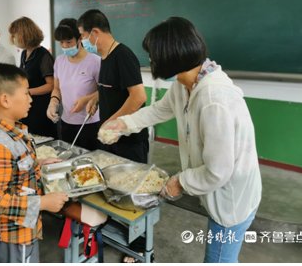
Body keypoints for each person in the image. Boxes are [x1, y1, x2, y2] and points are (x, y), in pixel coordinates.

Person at [99, 17, 262, 263]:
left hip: (232, 200)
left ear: (170, 57)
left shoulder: (214, 99)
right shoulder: (185, 84)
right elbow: (158, 110)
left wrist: (180, 182)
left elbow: (218, 171)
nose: (151, 61)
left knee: (218, 260)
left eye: (153, 56)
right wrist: (124, 124)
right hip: (219, 195)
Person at [0, 63, 68, 263]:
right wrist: (43, 203)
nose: (30, 99)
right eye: (26, 93)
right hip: (9, 237)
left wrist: (39, 163)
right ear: (6, 100)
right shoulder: (0, 145)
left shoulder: (13, 130)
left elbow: (14, 167)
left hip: (20, 229)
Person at [78, 9, 149, 163]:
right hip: (112, 136)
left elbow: (138, 96)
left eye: (83, 36)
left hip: (129, 139)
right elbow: (113, 87)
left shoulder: (123, 55)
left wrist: (111, 123)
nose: (82, 41)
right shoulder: (105, 56)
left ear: (94, 32)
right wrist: (96, 98)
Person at [47, 18, 101, 150]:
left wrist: (88, 100)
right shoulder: (59, 61)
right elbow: (56, 88)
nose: (65, 46)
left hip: (89, 124)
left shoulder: (95, 61)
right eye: (61, 43)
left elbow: (104, 91)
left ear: (79, 39)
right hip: (67, 123)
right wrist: (53, 102)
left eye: (69, 42)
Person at [9, 16, 57, 137]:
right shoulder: (24, 53)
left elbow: (51, 85)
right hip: (27, 105)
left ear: (24, 35)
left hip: (40, 108)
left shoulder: (43, 56)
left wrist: (28, 91)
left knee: (40, 140)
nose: (12, 39)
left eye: (14, 35)